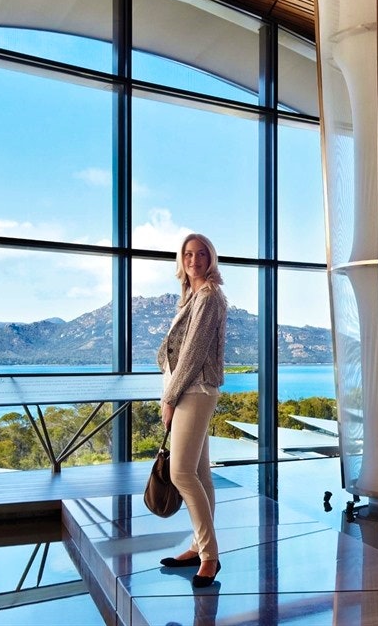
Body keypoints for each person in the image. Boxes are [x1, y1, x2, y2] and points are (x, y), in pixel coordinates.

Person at [155, 232, 229, 588]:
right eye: (188, 254)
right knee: (200, 473)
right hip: (189, 388)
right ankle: (199, 545)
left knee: (181, 473)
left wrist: (170, 398)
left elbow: (194, 353)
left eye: (202, 254)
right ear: (181, 259)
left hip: (194, 390)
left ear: (211, 258)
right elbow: (176, 349)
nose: (195, 259)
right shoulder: (191, 296)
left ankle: (209, 556)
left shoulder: (209, 296)